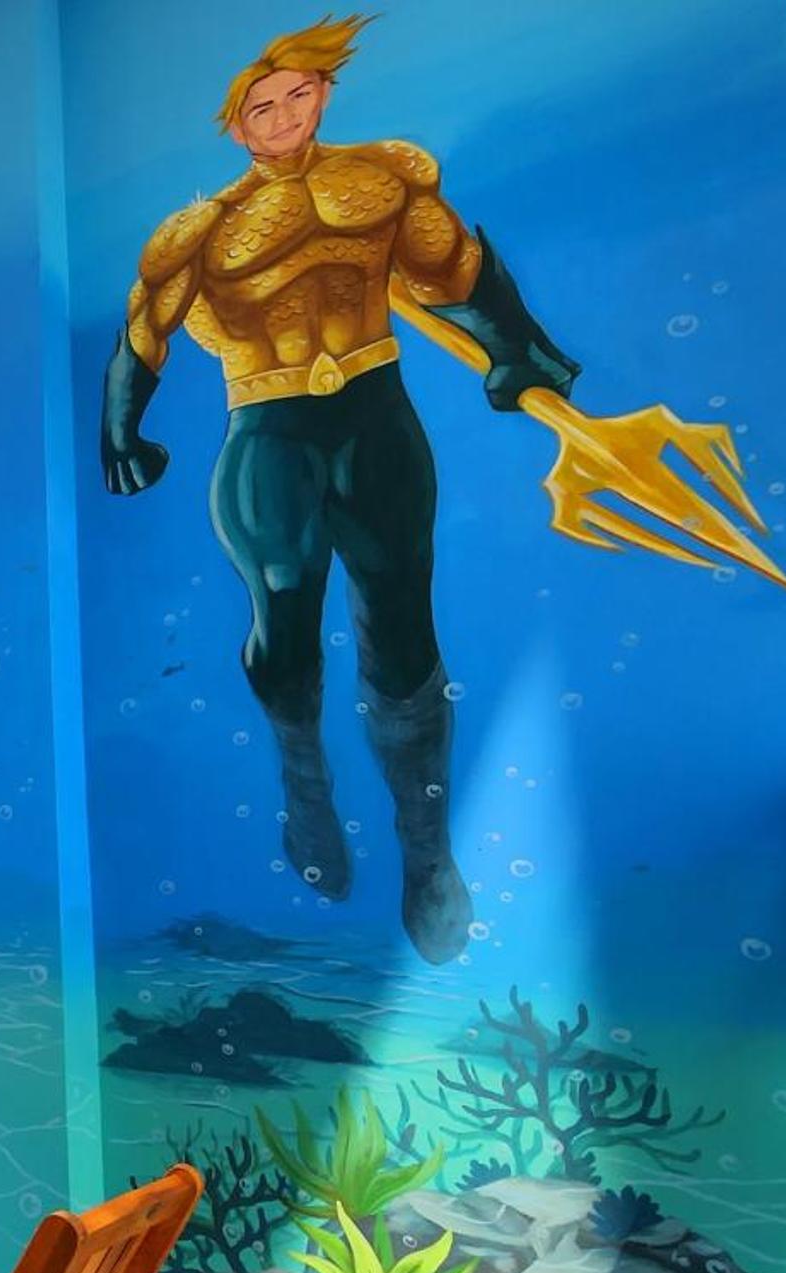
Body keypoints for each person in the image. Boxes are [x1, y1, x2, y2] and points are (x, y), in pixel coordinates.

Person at [99, 13, 577, 963]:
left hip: (375, 414)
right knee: (283, 624)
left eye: (297, 96)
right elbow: (145, 332)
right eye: (260, 107)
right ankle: (305, 784)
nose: (282, 116)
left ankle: (428, 854)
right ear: (236, 124)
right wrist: (122, 431)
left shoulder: (384, 180)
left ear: (323, 96)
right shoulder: (201, 230)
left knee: (403, 629)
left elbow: (454, 271)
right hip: (267, 434)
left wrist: (516, 348)